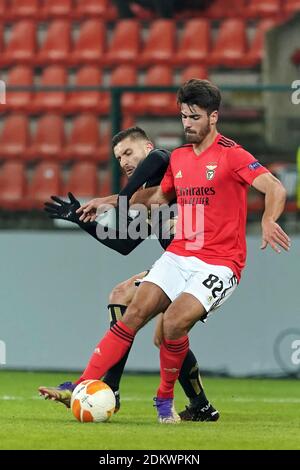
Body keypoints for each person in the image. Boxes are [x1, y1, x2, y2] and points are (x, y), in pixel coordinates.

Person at [41, 79, 290, 424]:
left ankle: (164, 400)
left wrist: (268, 219)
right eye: (183, 116)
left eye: (194, 117)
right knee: (133, 312)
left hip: (219, 263)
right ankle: (85, 385)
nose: (187, 124)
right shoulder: (180, 158)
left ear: (213, 117)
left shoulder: (232, 154)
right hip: (179, 255)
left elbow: (273, 187)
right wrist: (107, 203)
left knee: (170, 326)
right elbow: (155, 198)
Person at [40, 126, 219, 422]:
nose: (123, 161)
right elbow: (123, 244)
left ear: (146, 148)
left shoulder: (168, 167)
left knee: (164, 331)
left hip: (201, 264)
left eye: (128, 152)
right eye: (118, 157)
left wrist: (119, 199)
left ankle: (113, 386)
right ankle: (194, 404)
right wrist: (80, 220)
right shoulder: (145, 199)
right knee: (134, 307)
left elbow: (160, 157)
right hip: (176, 266)